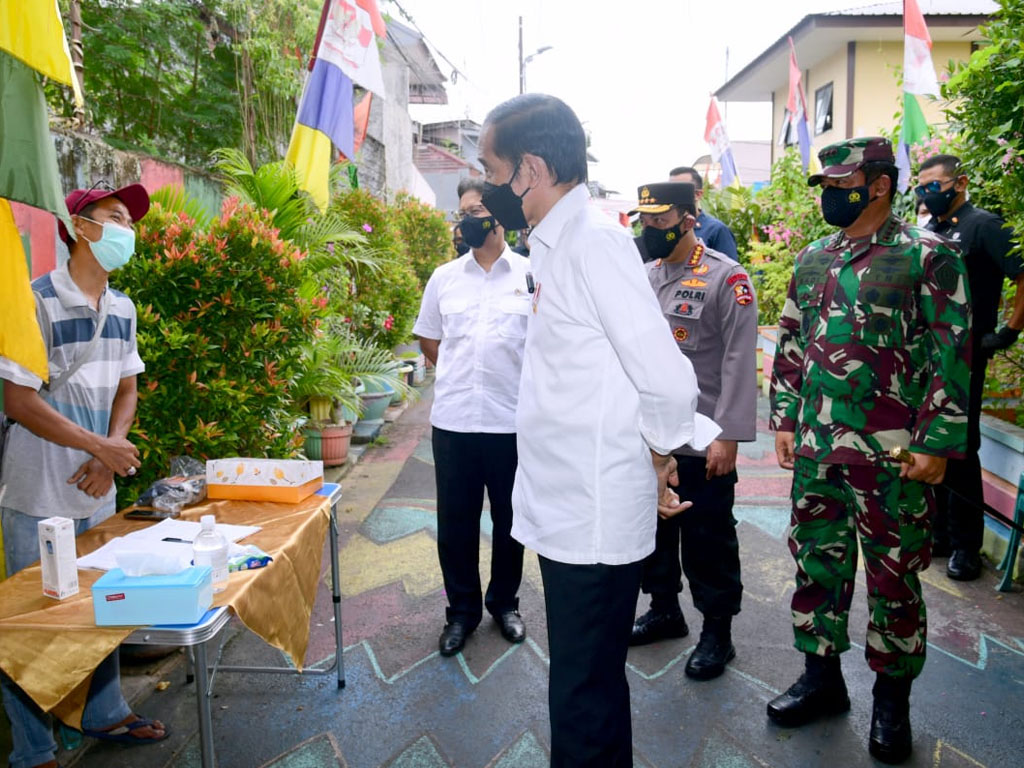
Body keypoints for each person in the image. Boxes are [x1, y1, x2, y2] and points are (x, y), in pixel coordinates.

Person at [477, 93, 718, 767]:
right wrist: (653, 452)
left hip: (591, 513)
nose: (491, 187)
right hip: (569, 505)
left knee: (583, 694)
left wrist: (663, 452)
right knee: (587, 688)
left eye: (492, 170)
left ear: (528, 169)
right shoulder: (556, 248)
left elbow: (667, 379)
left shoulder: (595, 245)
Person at [767, 138, 971, 765]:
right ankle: (820, 680)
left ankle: (891, 700)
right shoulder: (812, 257)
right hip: (818, 450)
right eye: (825, 182)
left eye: (842, 181)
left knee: (895, 577)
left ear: (879, 184)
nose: (830, 192)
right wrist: (783, 416)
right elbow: (792, 341)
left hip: (895, 455)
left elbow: (952, 351)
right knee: (817, 567)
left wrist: (939, 440)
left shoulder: (927, 256)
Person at [0, 182, 168, 768]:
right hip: (38, 486)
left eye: (130, 220)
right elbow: (18, 400)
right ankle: (33, 749)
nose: (128, 229)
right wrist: (100, 445)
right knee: (32, 620)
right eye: (116, 217)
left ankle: (104, 712)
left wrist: (110, 450)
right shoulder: (34, 302)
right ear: (81, 227)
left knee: (104, 603)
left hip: (101, 483)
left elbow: (129, 386)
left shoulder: (122, 308)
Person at [628, 182, 757, 683]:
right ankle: (665, 610)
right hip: (651, 435)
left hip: (703, 437)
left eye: (659, 221)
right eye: (645, 222)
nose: (650, 230)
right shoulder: (641, 276)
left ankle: (717, 632)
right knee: (654, 533)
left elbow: (739, 359)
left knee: (708, 539)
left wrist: (728, 434)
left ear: (688, 218)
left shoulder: (727, 278)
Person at [413, 177, 530, 657]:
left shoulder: (530, 274)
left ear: (499, 214)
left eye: (477, 209)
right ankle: (461, 612)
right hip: (456, 422)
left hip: (512, 424)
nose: (467, 219)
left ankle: (504, 603)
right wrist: (466, 372)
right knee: (456, 524)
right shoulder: (444, 277)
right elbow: (430, 339)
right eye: (462, 210)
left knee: (511, 521)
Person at [916, 154, 1024, 581]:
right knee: (932, 441)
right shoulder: (931, 230)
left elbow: (1021, 274)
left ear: (959, 182)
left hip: (966, 357)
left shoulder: (985, 225)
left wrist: (1008, 331)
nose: (928, 194)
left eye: (934, 186)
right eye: (921, 188)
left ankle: (967, 547)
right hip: (930, 356)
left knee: (960, 448)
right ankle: (940, 534)